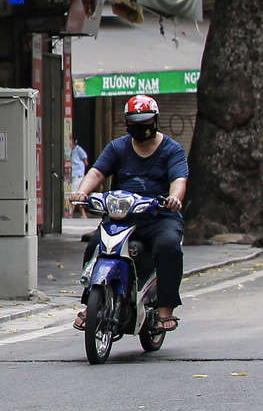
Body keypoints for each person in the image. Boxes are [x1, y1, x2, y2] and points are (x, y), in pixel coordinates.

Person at [69, 94, 187, 334]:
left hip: (159, 218)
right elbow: (96, 173)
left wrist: (174, 199)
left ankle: (165, 309)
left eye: (145, 123)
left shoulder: (172, 150)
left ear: (155, 121)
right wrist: (81, 192)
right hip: (122, 218)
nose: (140, 128)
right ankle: (90, 304)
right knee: (94, 245)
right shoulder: (117, 147)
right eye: (135, 123)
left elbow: (178, 180)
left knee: (169, 247)